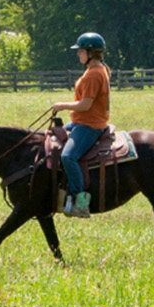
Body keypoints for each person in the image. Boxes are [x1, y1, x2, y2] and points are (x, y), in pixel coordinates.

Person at [51, 33, 111, 218]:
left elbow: (85, 105)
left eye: (81, 51)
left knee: (68, 156)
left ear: (91, 53)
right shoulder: (99, 69)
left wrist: (62, 105)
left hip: (89, 124)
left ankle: (80, 200)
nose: (78, 54)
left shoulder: (93, 74)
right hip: (82, 121)